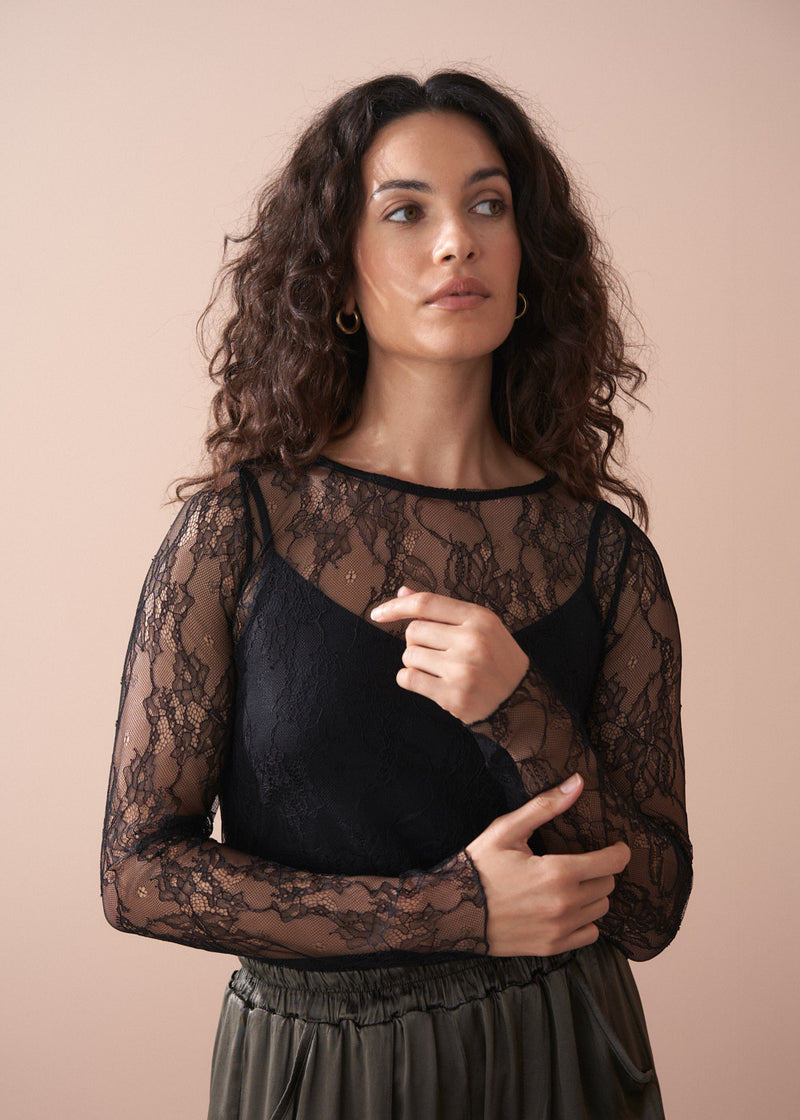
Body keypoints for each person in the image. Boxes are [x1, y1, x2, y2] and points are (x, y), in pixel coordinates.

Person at [101, 71, 691, 1119]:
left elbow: (646, 909)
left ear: (525, 267)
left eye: (487, 204)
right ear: (339, 271)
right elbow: (138, 874)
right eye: (405, 210)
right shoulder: (238, 532)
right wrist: (446, 911)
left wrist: (521, 709)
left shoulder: (609, 562)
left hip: (561, 1056)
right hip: (318, 1070)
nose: (455, 240)